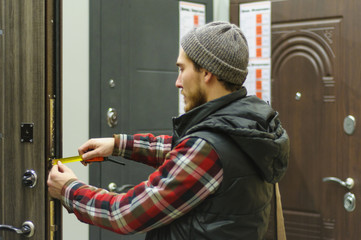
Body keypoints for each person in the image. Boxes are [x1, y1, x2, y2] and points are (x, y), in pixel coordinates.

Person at [48, 21, 289, 240]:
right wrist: (119, 145)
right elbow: (182, 149)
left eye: (182, 69)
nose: (177, 82)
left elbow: (123, 215)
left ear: (207, 73)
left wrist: (69, 189)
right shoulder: (248, 125)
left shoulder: (208, 148)